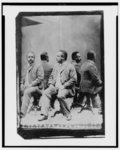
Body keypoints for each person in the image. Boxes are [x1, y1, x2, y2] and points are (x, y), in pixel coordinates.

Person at [38, 50, 77, 121]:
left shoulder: (70, 66)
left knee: (60, 95)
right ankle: (44, 114)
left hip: (67, 88)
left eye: (58, 56)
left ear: (63, 57)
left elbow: (74, 79)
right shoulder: (56, 66)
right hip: (55, 87)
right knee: (46, 93)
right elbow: (51, 76)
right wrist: (50, 84)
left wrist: (64, 86)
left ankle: (67, 114)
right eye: (57, 56)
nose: (56, 57)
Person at [20, 51, 44, 117]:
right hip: (26, 86)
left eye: (32, 57)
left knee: (27, 91)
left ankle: (23, 113)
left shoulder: (38, 66)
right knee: (16, 90)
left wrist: (31, 85)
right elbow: (22, 78)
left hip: (37, 88)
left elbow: (40, 78)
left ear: (34, 58)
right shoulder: (26, 67)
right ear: (27, 58)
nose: (30, 58)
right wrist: (21, 84)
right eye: (29, 57)